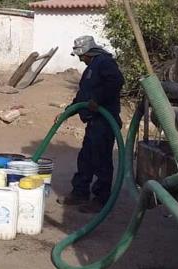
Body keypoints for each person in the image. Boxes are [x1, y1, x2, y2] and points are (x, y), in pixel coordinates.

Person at [57, 36, 124, 213]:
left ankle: (101, 199)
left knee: (101, 160)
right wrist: (68, 112)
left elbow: (116, 82)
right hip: (94, 122)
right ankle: (80, 192)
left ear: (88, 53)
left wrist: (98, 100)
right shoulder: (90, 68)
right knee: (86, 157)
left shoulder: (104, 63)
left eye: (81, 55)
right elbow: (83, 95)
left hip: (105, 121)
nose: (79, 59)